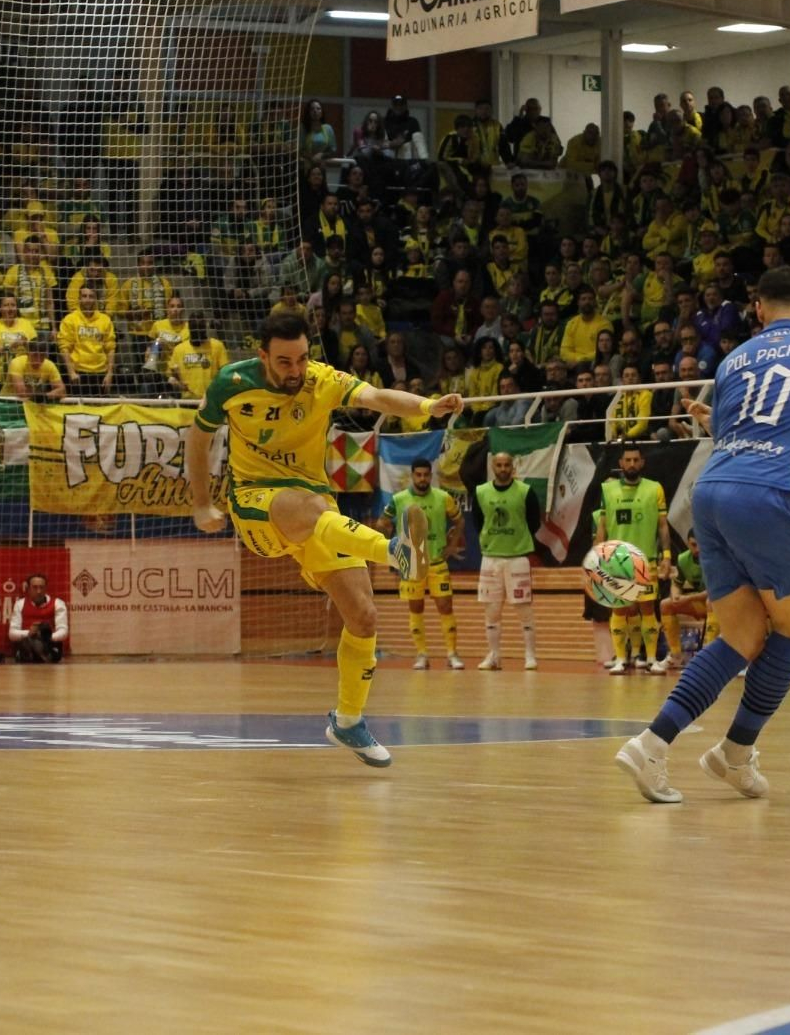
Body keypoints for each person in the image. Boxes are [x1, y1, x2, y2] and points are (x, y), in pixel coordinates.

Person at [615, 266, 790, 804]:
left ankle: (652, 744)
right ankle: (734, 752)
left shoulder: (729, 360)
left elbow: (738, 439)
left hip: (711, 492)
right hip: (766, 496)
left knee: (743, 638)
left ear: (759, 311)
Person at [187, 313, 464, 768]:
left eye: (301, 359)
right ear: (262, 356)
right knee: (308, 507)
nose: (295, 370)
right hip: (258, 505)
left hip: (317, 509)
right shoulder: (230, 383)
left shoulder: (320, 380)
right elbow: (198, 439)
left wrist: (427, 407)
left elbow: (375, 397)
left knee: (364, 615)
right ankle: (396, 552)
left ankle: (348, 720)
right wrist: (201, 502)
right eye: (284, 362)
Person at [379, 458, 465, 671]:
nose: (422, 478)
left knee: (445, 606)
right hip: (411, 565)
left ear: (431, 476)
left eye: (426, 475)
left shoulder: (443, 497)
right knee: (416, 607)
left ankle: (452, 654)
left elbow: (459, 521)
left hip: (437, 561)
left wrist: (452, 546)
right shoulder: (399, 499)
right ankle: (421, 655)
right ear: (412, 475)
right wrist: (391, 546)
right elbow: (382, 522)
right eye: (418, 475)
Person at [595, 445, 671, 675]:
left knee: (647, 609)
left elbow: (663, 526)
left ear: (642, 462)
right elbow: (602, 526)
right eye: (627, 460)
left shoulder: (655, 488)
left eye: (636, 460)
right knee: (620, 610)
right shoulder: (607, 490)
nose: (631, 464)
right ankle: (620, 658)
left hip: (646, 559)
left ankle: (649, 659)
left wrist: (666, 556)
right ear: (620, 463)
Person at [474, 451, 542, 671]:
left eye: (507, 465)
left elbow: (534, 523)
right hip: (490, 558)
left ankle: (530, 656)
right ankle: (494, 656)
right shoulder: (481, 492)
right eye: (499, 465)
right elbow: (478, 522)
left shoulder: (525, 492)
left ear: (513, 467)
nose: (503, 469)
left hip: (517, 558)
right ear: (493, 466)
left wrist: (516, 540)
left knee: (524, 610)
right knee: (491, 611)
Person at [660, 531, 718, 666]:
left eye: (700, 545)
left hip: (722, 604)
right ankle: (675, 656)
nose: (698, 549)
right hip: (699, 602)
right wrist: (675, 595)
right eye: (693, 545)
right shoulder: (683, 559)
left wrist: (687, 599)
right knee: (665, 605)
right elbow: (676, 583)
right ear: (688, 543)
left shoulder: (716, 558)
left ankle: (709, 656)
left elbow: (712, 592)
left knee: (712, 602)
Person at [9, 573, 68, 663]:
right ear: (28, 589)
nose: (39, 591)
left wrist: (46, 636)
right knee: (27, 642)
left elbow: (63, 632)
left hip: (49, 645)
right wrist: (29, 633)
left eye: (41, 587)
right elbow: (12, 634)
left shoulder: (58, 604)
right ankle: (38, 655)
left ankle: (41, 654)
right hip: (28, 643)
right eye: (35, 587)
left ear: (46, 588)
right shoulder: (20, 604)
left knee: (37, 643)